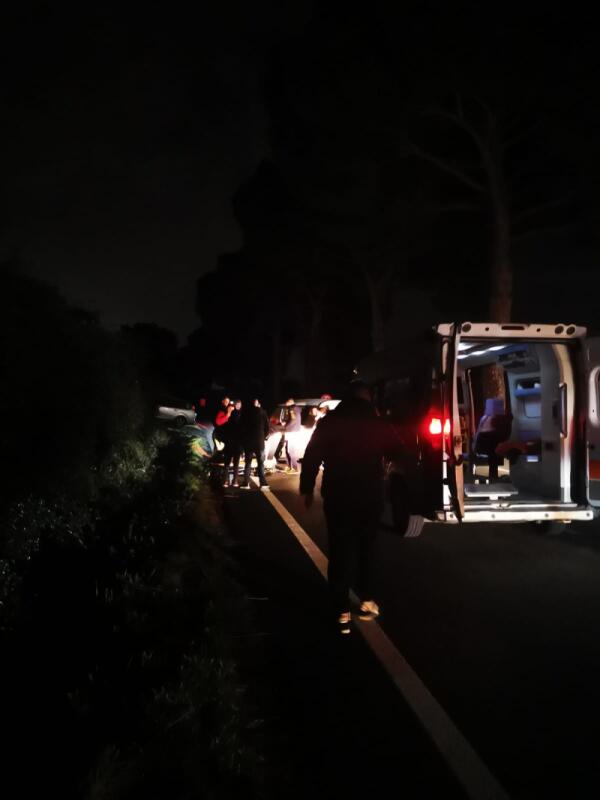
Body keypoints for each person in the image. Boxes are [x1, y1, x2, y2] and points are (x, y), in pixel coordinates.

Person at [299, 380, 402, 635]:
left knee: (340, 549)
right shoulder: (378, 422)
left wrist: (307, 488)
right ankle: (367, 600)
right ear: (368, 398)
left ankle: (341, 611)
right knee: (368, 547)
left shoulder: (330, 422)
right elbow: (398, 451)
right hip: (370, 494)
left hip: (339, 493)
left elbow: (312, 455)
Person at [240, 398, 271, 490]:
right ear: (257, 404)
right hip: (259, 441)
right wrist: (263, 437)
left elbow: (241, 427)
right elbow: (267, 427)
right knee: (260, 463)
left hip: (248, 441)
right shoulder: (262, 412)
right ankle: (263, 483)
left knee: (248, 463)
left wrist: (244, 439)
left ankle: (246, 483)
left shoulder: (245, 413)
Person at [222, 399, 243, 487]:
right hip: (237, 445)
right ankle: (235, 481)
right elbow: (243, 435)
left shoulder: (228, 422)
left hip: (229, 445)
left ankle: (225, 481)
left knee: (227, 464)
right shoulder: (240, 424)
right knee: (236, 464)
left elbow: (223, 433)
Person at [282, 397, 302, 473]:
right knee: (287, 449)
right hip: (292, 431)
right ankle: (289, 467)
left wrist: (285, 427)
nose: (285, 404)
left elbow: (293, 420)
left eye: (286, 402)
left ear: (290, 402)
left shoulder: (292, 409)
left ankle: (294, 468)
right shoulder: (294, 408)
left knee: (290, 450)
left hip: (292, 431)